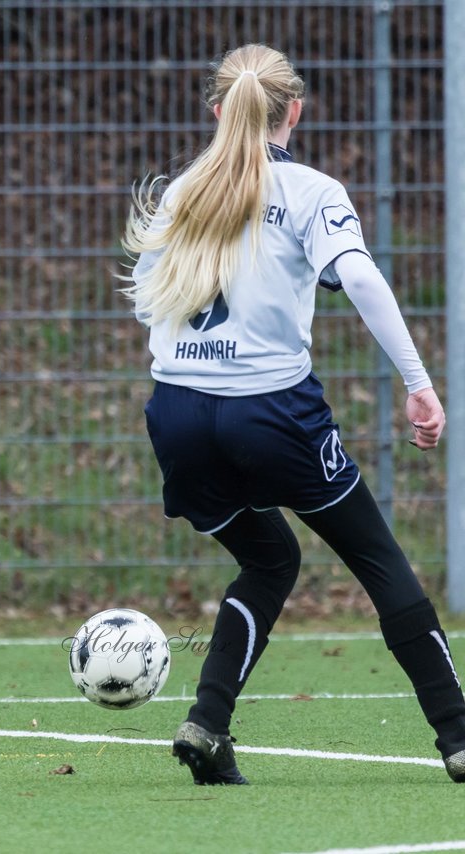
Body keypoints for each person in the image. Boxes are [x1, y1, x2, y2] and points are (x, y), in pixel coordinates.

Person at [122, 43, 465, 784]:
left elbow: (149, 305)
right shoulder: (311, 189)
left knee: (270, 558)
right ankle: (459, 735)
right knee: (380, 562)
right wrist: (420, 381)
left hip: (177, 414)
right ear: (295, 112)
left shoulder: (181, 192)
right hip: (271, 412)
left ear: (216, 111)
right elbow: (359, 277)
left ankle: (208, 723)